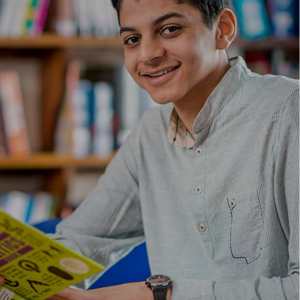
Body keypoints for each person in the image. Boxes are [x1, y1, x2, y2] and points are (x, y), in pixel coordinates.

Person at [2, 0, 300, 299]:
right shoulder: (149, 133)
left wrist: (161, 295)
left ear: (222, 30)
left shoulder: (288, 111)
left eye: (170, 29)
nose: (147, 54)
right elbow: (82, 239)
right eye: (132, 39)